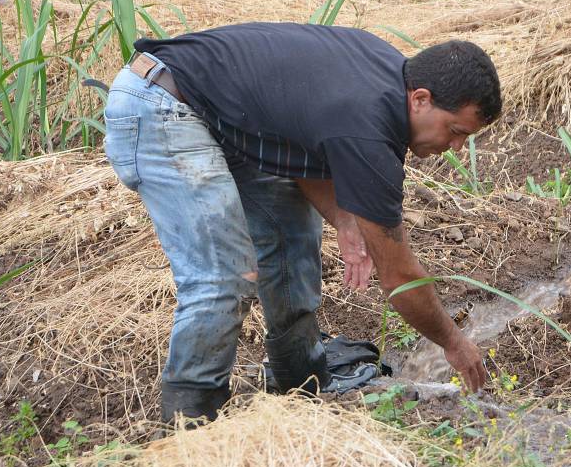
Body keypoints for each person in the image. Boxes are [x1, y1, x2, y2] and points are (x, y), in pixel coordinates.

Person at [102, 22, 501, 425]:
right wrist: (453, 342)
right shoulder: (369, 127)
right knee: (224, 275)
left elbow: (295, 131)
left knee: (291, 230)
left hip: (220, 117)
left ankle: (300, 379)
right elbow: (399, 277)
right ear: (420, 98)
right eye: (455, 132)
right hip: (159, 104)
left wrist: (345, 220)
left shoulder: (385, 75)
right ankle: (190, 424)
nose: (454, 147)